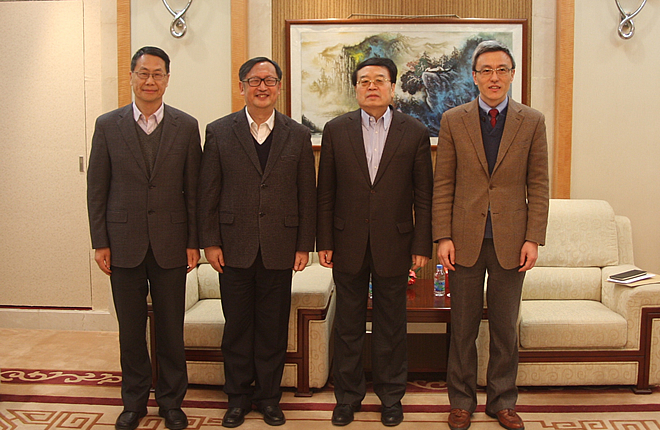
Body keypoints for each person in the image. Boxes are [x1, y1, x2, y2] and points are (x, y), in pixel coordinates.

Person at [433, 40, 549, 430]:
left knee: (504, 328)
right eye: (486, 70)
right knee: (462, 328)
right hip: (463, 239)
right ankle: (461, 402)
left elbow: (539, 184)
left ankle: (502, 401)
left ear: (512, 75)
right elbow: (443, 183)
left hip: (512, 241)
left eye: (501, 70)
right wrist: (442, 236)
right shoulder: (453, 120)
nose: (494, 77)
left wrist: (533, 238)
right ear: (474, 76)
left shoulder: (532, 121)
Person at [197, 57, 316, 428]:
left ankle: (268, 398)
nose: (262, 87)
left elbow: (307, 194)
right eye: (254, 80)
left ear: (279, 87)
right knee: (237, 328)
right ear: (242, 87)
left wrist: (304, 246)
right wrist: (210, 242)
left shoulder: (298, 134)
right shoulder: (219, 131)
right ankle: (237, 398)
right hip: (233, 246)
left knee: (272, 329)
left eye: (269, 80)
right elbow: (208, 192)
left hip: (280, 247)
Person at [87, 46, 201, 430]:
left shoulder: (186, 126)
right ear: (132, 77)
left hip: (172, 243)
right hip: (122, 243)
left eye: (157, 74)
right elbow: (97, 188)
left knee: (171, 330)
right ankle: (133, 402)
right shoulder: (108, 125)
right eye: (143, 73)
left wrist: (193, 242)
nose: (150, 80)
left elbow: (194, 191)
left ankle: (171, 403)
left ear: (167, 79)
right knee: (131, 330)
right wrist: (100, 241)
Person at [316, 57, 434, 427]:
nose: (371, 86)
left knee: (391, 327)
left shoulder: (414, 131)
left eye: (379, 80)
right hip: (346, 241)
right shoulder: (336, 129)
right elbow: (326, 191)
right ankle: (347, 398)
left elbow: (424, 196)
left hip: (395, 243)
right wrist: (324, 240)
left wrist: (422, 244)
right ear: (355, 88)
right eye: (364, 80)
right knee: (347, 326)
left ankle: (391, 398)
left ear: (392, 87)